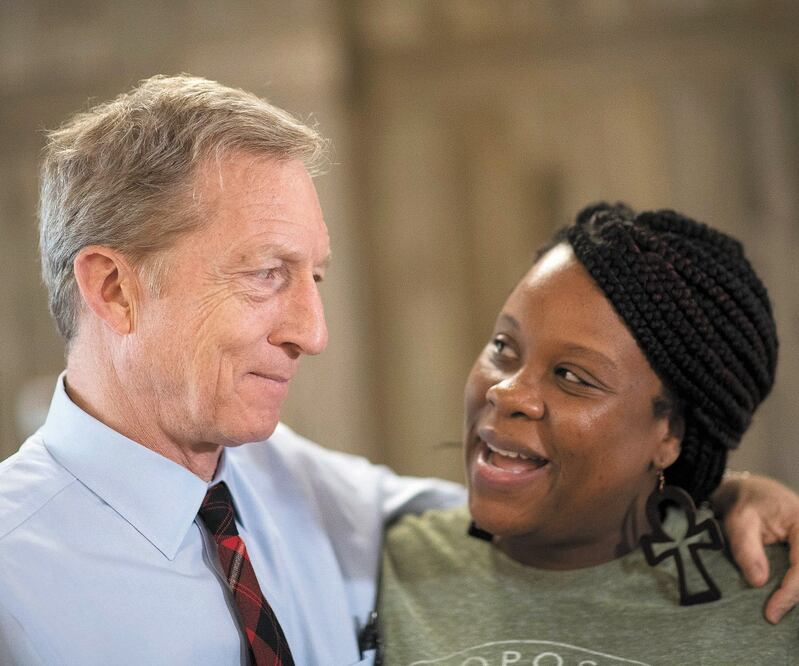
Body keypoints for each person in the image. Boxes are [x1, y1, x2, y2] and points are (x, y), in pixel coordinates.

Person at [0, 77, 794, 665]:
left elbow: (554, 510)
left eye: (314, 276)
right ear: (114, 288)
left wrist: (717, 486)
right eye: (265, 274)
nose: (314, 333)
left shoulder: (301, 489)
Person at [379, 204, 797, 665]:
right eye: (503, 346)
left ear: (670, 434)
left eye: (572, 376)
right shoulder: (385, 565)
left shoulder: (774, 602)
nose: (506, 392)